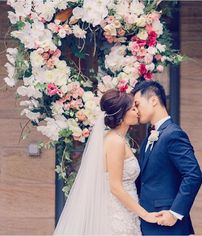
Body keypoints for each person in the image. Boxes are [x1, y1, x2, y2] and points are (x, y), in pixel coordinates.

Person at [53, 89, 158, 235]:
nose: (137, 111)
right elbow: (115, 187)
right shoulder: (115, 142)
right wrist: (145, 215)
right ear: (122, 115)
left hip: (122, 210)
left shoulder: (113, 138)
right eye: (133, 108)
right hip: (118, 213)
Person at [132, 80, 202, 235]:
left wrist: (175, 213)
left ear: (153, 100)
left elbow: (193, 175)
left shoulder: (173, 134)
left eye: (137, 104)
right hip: (148, 221)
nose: (136, 110)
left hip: (167, 224)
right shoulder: (148, 139)